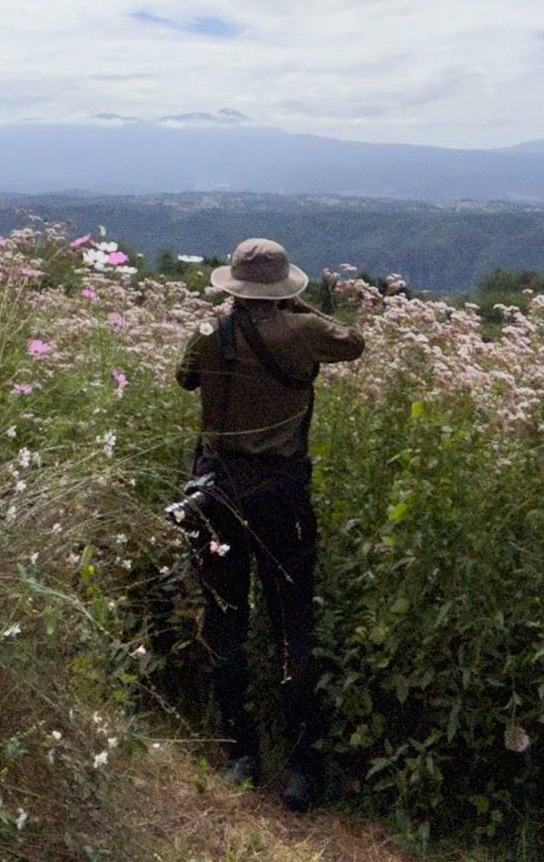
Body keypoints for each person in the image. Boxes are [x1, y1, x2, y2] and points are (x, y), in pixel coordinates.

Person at [175, 237, 365, 812]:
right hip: (280, 494)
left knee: (224, 616)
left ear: (233, 284)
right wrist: (297, 309)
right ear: (282, 287)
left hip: (218, 491)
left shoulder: (212, 333)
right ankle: (304, 767)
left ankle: (240, 751)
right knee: (292, 624)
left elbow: (185, 378)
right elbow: (354, 344)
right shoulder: (303, 331)